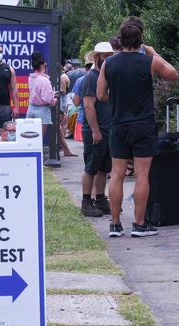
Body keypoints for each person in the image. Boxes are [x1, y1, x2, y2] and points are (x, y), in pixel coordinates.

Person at [97, 20, 178, 238]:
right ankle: (139, 224)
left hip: (118, 125)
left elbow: (101, 95)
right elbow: (173, 74)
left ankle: (115, 225)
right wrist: (155, 52)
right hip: (143, 124)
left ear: (120, 41)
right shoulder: (148, 61)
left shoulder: (108, 64)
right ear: (141, 40)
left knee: (116, 175)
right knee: (142, 175)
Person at [80, 42, 115, 217]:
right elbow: (88, 106)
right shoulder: (91, 78)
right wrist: (95, 130)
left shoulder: (105, 77)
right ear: (96, 57)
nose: (108, 60)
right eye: (105, 56)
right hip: (96, 130)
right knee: (91, 166)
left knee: (103, 168)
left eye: (111, 56)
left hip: (106, 129)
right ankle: (86, 202)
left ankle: (100, 199)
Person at [26, 52, 77, 157]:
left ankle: (66, 150)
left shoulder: (31, 78)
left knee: (30, 134)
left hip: (32, 107)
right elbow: (48, 99)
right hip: (43, 109)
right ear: (42, 65)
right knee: (40, 136)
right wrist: (54, 99)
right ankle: (36, 157)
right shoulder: (44, 80)